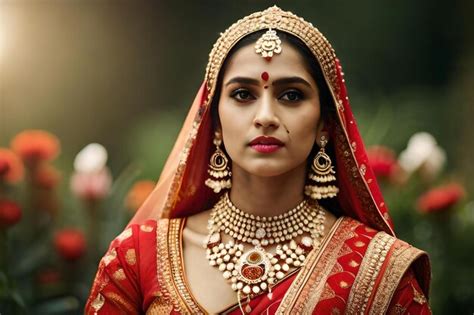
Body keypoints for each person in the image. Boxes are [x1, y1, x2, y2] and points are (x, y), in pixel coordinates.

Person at [85, 6, 431, 314]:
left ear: (326, 122)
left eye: (291, 95)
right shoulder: (139, 256)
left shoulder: (375, 268)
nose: (265, 116)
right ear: (215, 121)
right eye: (242, 94)